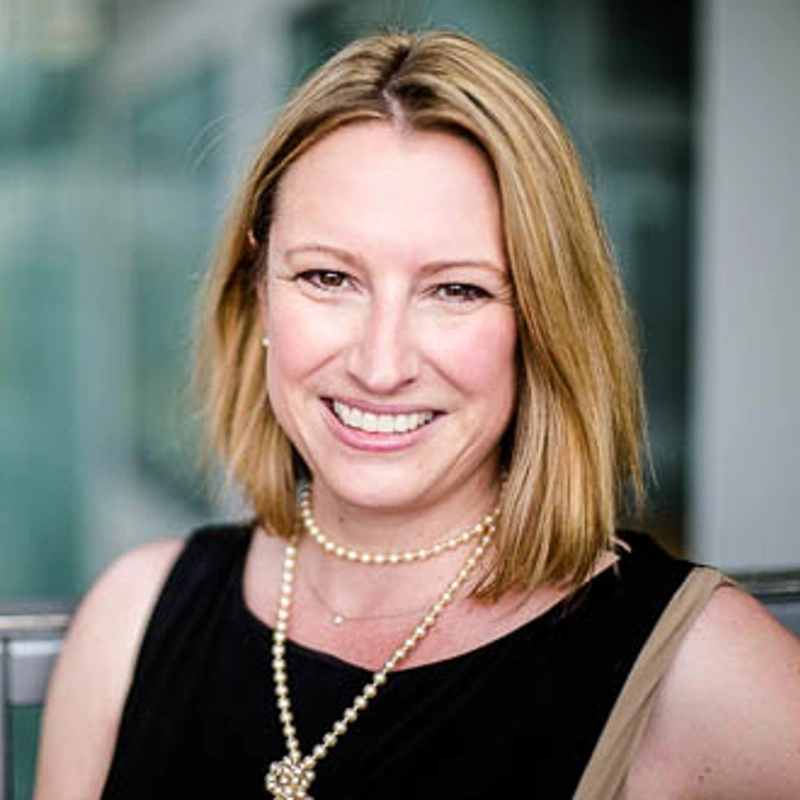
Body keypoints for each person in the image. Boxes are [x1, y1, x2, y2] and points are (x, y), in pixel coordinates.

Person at [35, 30, 800, 800]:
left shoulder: (699, 671)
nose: (380, 363)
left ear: (543, 324)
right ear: (258, 287)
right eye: (328, 277)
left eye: (456, 290)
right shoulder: (131, 619)